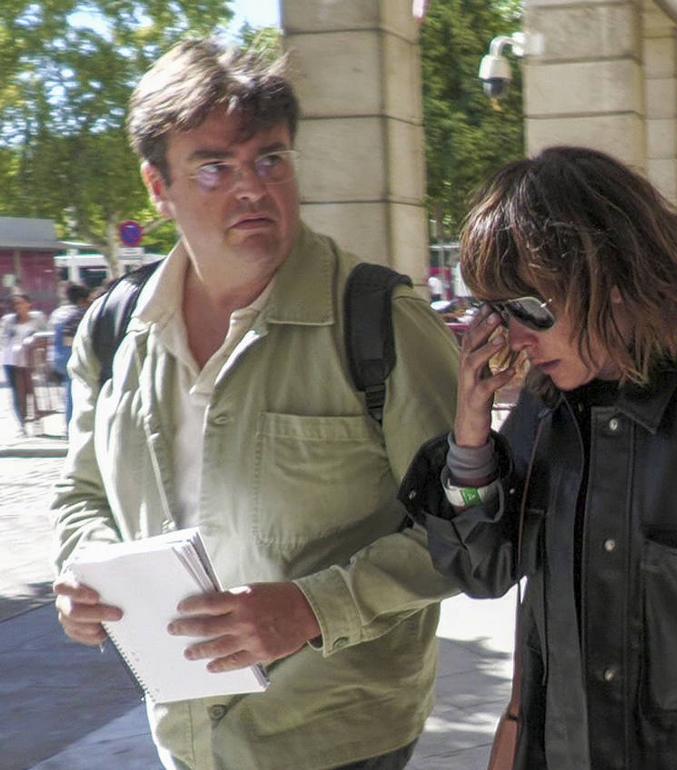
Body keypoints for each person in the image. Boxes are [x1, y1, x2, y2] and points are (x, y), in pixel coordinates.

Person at [50, 39, 460, 770]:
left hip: (341, 734)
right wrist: (83, 572)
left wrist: (312, 609)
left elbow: (469, 529)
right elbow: (81, 492)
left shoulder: (379, 321)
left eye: (270, 159)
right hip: (184, 736)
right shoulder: (113, 330)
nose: (253, 188)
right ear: (157, 186)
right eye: (214, 167)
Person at [399, 146, 677, 769]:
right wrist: (469, 440)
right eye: (499, 312)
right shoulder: (546, 409)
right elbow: (483, 568)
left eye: (532, 310)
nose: (515, 338)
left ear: (614, 278)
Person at [1, 291, 48, 437]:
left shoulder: (38, 318)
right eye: (15, 304)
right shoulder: (9, 321)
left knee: (32, 392)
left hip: (32, 360)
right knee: (17, 393)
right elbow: (4, 340)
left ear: (28, 304)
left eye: (20, 303)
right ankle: (21, 424)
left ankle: (37, 422)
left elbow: (45, 336)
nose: (17, 306)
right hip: (12, 361)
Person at [49, 282, 90, 425]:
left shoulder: (59, 312)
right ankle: (72, 426)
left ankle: (68, 425)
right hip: (70, 356)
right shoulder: (79, 314)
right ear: (81, 300)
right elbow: (70, 341)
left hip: (57, 356)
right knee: (75, 393)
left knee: (69, 392)